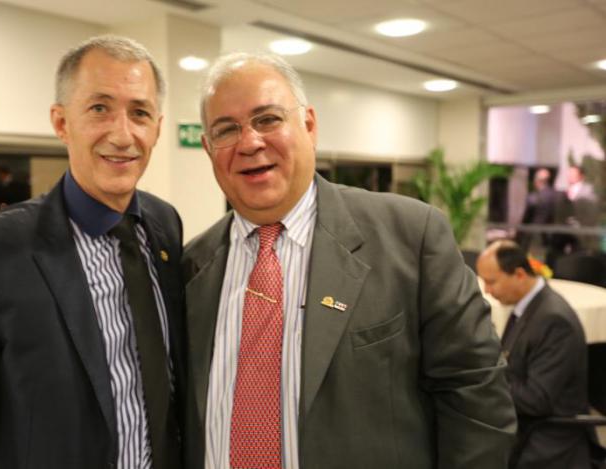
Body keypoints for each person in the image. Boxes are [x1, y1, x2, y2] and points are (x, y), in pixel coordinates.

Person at [182, 52, 516, 469]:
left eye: (267, 119)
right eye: (226, 130)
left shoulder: (411, 238)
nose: (249, 143)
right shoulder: (189, 267)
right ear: (208, 148)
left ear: (309, 125)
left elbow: (477, 399)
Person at [0, 35, 184, 469]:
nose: (122, 134)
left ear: (158, 128)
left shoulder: (164, 226)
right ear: (61, 122)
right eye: (99, 108)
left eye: (140, 113)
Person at [476, 240, 589, 469]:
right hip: (526, 425)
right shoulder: (527, 307)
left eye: (491, 282)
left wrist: (486, 382)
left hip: (548, 438)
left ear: (519, 274)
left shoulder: (554, 320)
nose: (487, 291)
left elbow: (537, 400)